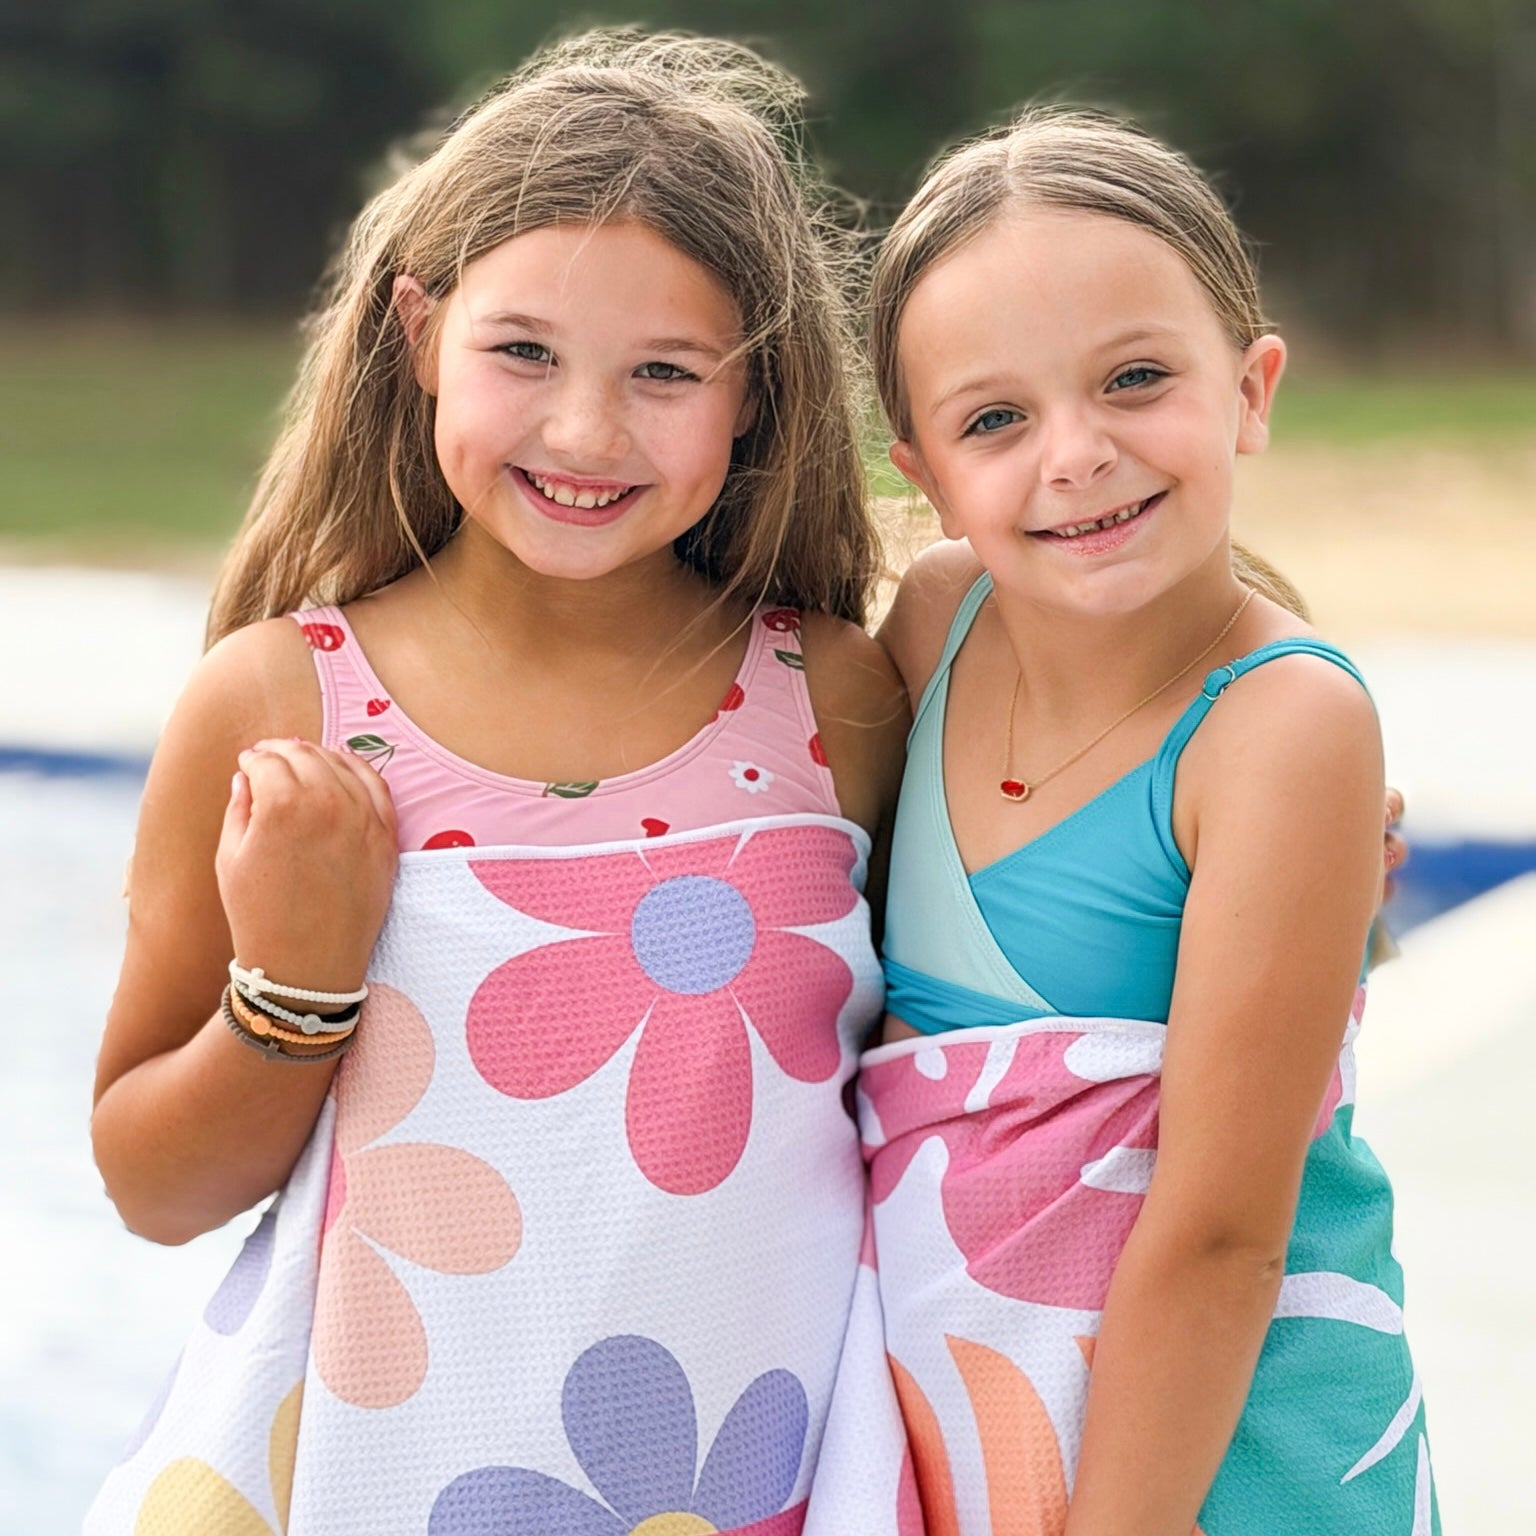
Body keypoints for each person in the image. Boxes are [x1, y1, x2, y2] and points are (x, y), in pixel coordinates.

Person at [86, 31, 914, 1534]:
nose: (584, 431)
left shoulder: (837, 703)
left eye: (665, 373)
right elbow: (154, 1188)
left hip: (736, 1489)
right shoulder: (282, 704)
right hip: (366, 1485)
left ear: (755, 394)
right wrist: (295, 992)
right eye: (522, 352)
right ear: (420, 333)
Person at [861, 106, 1436, 1535]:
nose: (1076, 453)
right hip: (972, 1421)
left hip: (1215, 1464)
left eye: (1135, 379)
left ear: (1251, 389)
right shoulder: (936, 625)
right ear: (926, 475)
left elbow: (1223, 1239)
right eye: (995, 418)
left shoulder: (1282, 726)